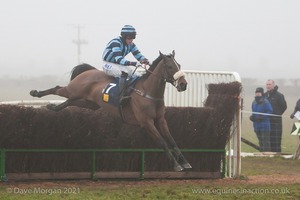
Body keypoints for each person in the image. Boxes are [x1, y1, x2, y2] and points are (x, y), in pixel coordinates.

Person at [102, 25, 149, 103]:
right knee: (124, 74)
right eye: (129, 38)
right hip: (108, 64)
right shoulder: (115, 42)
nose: (131, 40)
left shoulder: (131, 44)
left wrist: (144, 60)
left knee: (137, 75)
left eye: (133, 38)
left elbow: (137, 54)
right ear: (124, 37)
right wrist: (132, 63)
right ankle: (121, 96)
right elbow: (119, 59)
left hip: (118, 64)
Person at [265, 79, 287, 152]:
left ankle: (277, 154)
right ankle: (268, 154)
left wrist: (277, 114)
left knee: (276, 138)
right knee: (268, 138)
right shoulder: (264, 95)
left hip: (276, 122)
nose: (268, 86)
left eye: (270, 84)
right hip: (267, 121)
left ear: (273, 85)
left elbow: (284, 106)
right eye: (267, 84)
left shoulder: (279, 95)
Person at [250, 87, 273, 152]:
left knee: (265, 141)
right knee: (260, 141)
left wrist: (262, 117)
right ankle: (261, 153)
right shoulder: (253, 102)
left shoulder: (265, 102)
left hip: (265, 126)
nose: (257, 94)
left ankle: (267, 155)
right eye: (256, 92)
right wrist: (252, 117)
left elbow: (270, 111)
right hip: (256, 125)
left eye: (259, 92)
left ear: (262, 93)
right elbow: (253, 112)